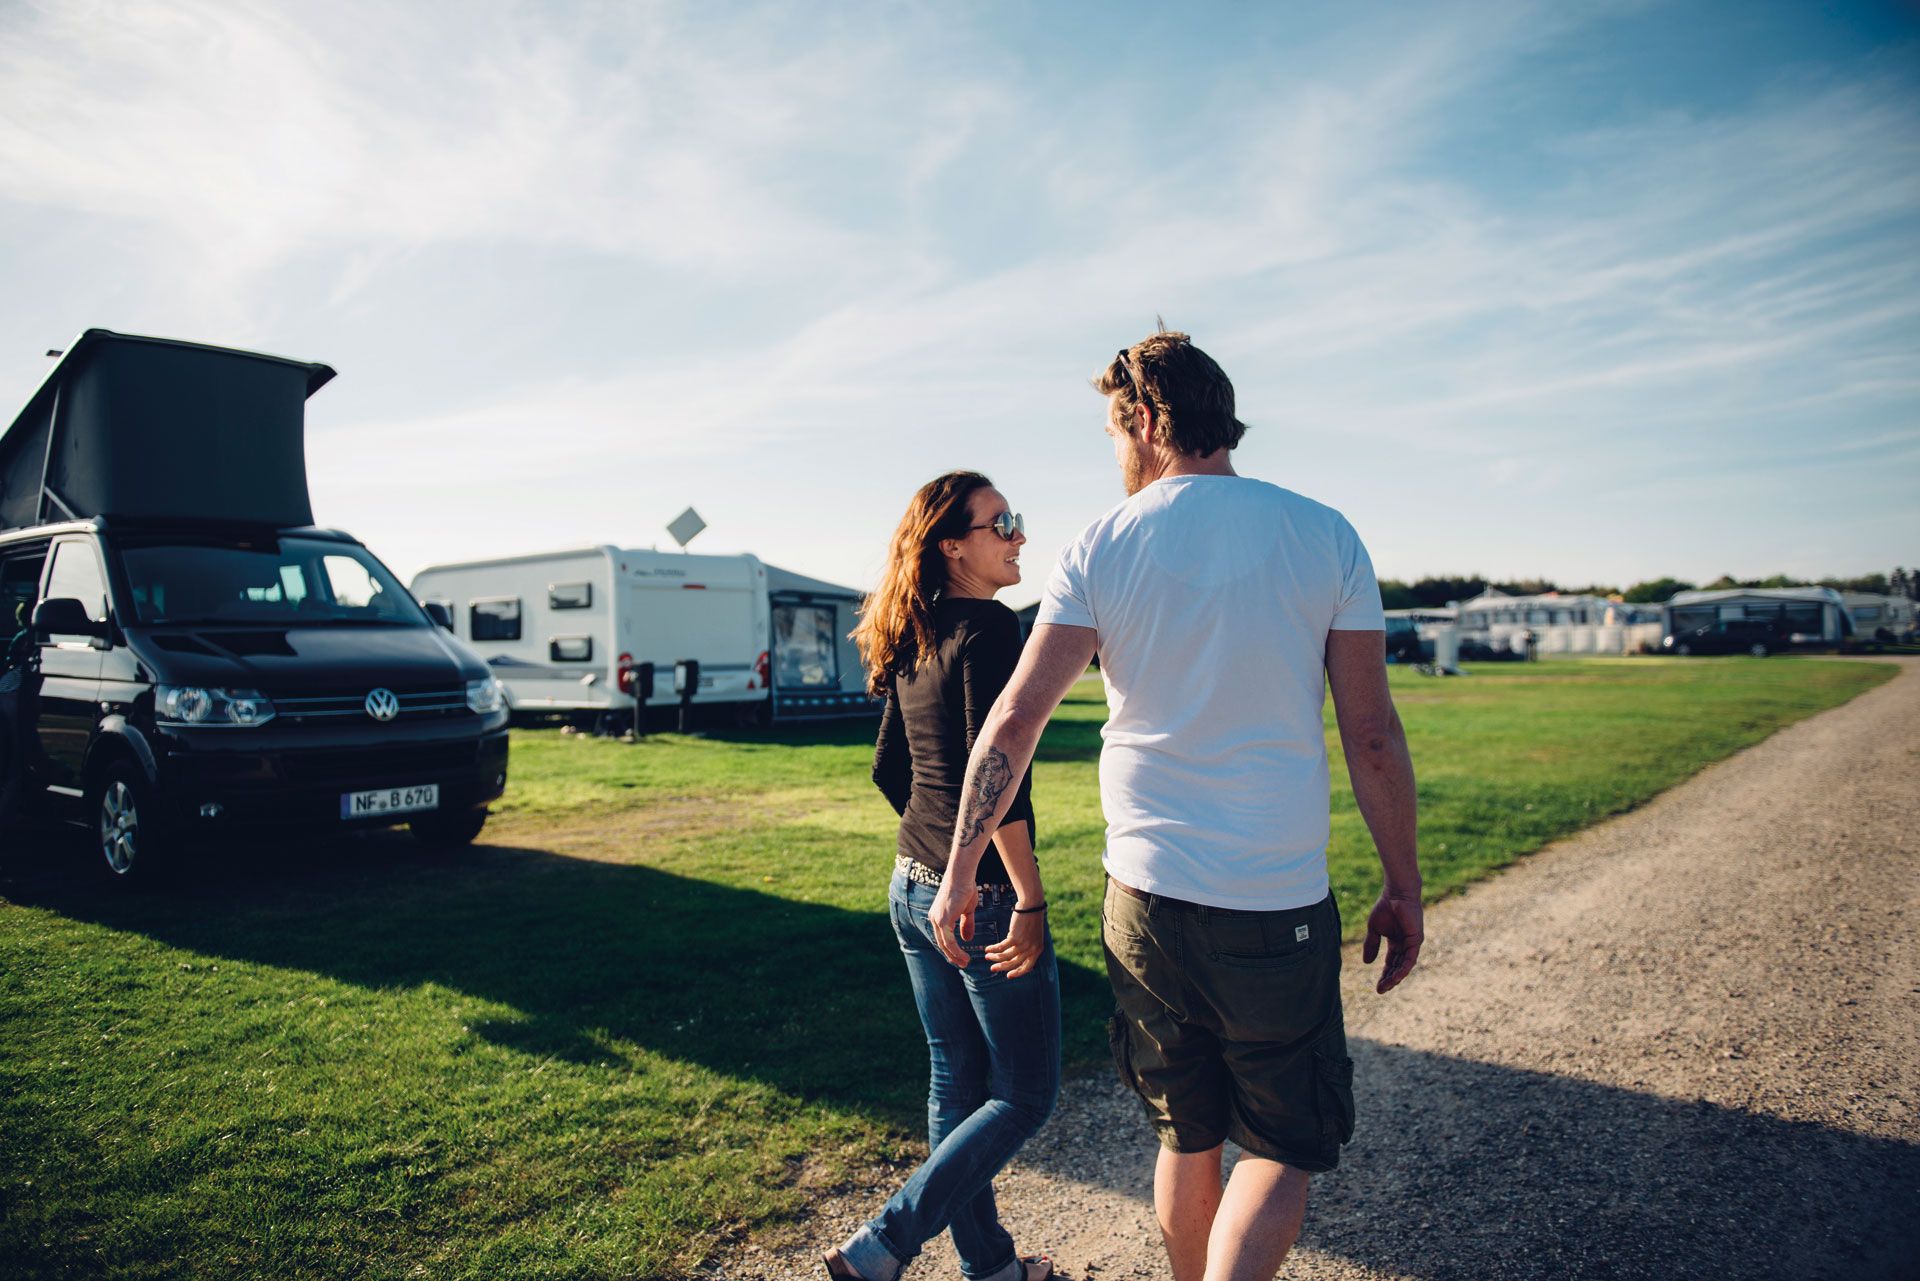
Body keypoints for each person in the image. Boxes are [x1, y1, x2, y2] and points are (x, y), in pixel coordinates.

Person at [928, 330, 1424, 1281]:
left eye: (1117, 430)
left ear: (1148, 419)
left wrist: (958, 870)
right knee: (1279, 1144)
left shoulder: (1101, 545)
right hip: (1275, 900)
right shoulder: (1325, 532)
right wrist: (1401, 883)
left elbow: (1013, 722)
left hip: (1145, 901)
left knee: (1186, 1134)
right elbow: (1371, 733)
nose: (1117, 454)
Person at [823, 471, 1061, 1281]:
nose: (1019, 535)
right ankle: (884, 1242)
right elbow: (1004, 777)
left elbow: (891, 768)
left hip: (911, 884)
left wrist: (930, 852)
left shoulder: (918, 631)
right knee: (1024, 1094)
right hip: (981, 898)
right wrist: (1024, 895)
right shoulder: (994, 629)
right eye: (1003, 523)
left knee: (956, 1083)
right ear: (952, 544)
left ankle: (990, 1267)